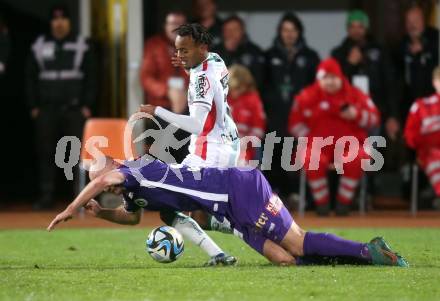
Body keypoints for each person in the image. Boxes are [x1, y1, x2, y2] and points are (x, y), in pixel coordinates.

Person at [47, 156, 408, 268]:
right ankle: (346, 260)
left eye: (106, 183)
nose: (109, 189)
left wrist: (70, 209)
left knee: (297, 243)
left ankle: (370, 251)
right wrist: (99, 213)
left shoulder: (136, 169)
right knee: (287, 261)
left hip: (239, 186)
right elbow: (132, 217)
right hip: (232, 211)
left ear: (114, 167)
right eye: (106, 187)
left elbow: (102, 179)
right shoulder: (132, 192)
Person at [137, 23, 240, 264]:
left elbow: (196, 125)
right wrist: (187, 69)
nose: (180, 56)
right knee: (201, 216)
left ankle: (248, 230)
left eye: (185, 50)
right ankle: (222, 254)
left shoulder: (200, 78)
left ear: (202, 47)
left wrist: (157, 110)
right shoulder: (215, 59)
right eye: (178, 50)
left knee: (168, 205)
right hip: (224, 143)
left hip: (209, 153)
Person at [288, 58, 380, 216]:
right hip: (317, 144)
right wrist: (310, 139)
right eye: (326, 78)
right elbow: (294, 124)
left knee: (356, 158)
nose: (330, 82)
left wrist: (356, 115)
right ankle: (322, 205)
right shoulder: (306, 96)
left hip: (351, 143)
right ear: (319, 79)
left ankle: (343, 204)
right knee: (311, 158)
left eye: (333, 77)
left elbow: (374, 120)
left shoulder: (356, 95)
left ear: (340, 77)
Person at [26, 5, 96, 210]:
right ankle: (46, 196)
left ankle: (80, 198)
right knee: (46, 153)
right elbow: (29, 78)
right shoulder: (39, 45)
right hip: (47, 110)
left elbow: (92, 77)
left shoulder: (82, 44)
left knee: (77, 154)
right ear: (51, 23)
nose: (59, 23)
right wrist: (33, 106)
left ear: (69, 22)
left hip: (74, 110)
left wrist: (87, 105)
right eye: (55, 19)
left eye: (63, 19)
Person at [264, 12, 320, 198]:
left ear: (299, 32)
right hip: (275, 116)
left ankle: (298, 195)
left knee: (299, 156)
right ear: (280, 32)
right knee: (274, 155)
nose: (289, 34)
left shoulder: (311, 57)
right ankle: (276, 196)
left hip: (301, 118)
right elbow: (262, 86)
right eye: (285, 30)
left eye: (293, 30)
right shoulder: (268, 56)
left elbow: (317, 88)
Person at [331, 10, 399, 140]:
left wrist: (392, 115)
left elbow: (390, 84)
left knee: (372, 157)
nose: (356, 30)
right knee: (350, 157)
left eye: (360, 26)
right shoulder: (338, 53)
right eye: (352, 26)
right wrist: (350, 64)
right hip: (348, 115)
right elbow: (333, 86)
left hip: (374, 112)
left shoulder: (380, 51)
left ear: (366, 28)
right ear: (347, 28)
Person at [404, 66, 440, 209]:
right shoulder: (421, 105)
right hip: (429, 153)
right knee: (436, 156)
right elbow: (410, 136)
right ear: (434, 82)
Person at [140, 11, 188, 112]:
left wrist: (187, 92)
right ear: (165, 26)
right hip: (160, 106)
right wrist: (167, 91)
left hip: (188, 104)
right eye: (173, 24)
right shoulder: (154, 45)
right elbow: (146, 78)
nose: (177, 28)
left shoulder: (193, 46)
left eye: (181, 25)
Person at [397, 4, 439, 121]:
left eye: (415, 21)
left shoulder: (435, 37)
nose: (412, 25)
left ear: (423, 21)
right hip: (410, 105)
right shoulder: (402, 44)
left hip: (434, 104)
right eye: (408, 22)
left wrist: (425, 48)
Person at [211, 15, 265, 88]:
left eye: (235, 30)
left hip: (247, 95)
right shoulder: (214, 52)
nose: (231, 33)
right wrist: (227, 53)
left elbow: (259, 80)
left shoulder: (254, 51)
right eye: (227, 30)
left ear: (242, 31)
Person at [227, 64, 266, 164]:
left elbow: (259, 128)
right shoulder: (221, 98)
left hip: (246, 150)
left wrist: (244, 141)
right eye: (234, 87)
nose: (236, 91)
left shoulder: (253, 99)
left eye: (240, 87)